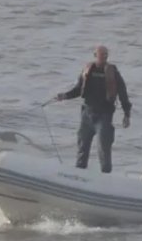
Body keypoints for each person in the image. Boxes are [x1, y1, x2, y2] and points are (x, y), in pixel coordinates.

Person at [55, 45, 132, 173]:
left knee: (104, 149)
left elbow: (123, 93)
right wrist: (65, 95)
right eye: (101, 55)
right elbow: (78, 89)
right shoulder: (87, 70)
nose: (104, 57)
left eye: (106, 55)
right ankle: (79, 174)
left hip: (104, 116)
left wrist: (126, 114)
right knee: (82, 148)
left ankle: (106, 178)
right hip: (87, 115)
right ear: (95, 55)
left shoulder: (113, 72)